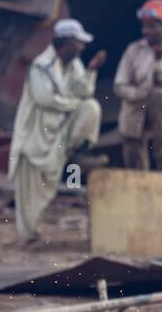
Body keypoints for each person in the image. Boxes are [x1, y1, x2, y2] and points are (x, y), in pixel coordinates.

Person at [8, 19, 104, 241]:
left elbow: (84, 92)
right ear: (66, 42)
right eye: (78, 43)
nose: (81, 48)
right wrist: (71, 103)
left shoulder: (74, 65)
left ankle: (77, 151)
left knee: (91, 108)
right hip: (36, 134)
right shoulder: (41, 66)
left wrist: (91, 71)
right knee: (32, 189)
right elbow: (45, 98)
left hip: (59, 131)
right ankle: (28, 234)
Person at [114, 0, 162, 170]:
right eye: (144, 27)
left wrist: (158, 61)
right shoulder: (133, 50)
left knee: (159, 95)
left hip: (161, 107)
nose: (146, 31)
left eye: (152, 27)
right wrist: (140, 94)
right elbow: (120, 85)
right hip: (134, 109)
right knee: (135, 165)